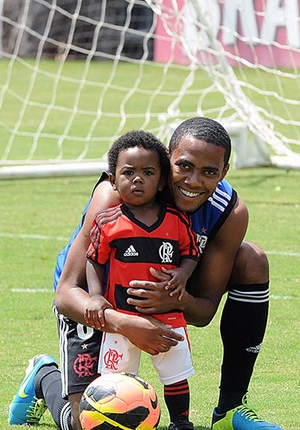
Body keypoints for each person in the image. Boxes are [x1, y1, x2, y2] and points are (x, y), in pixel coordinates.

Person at [9, 117, 282, 430]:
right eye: (184, 166)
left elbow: (203, 311)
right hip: (96, 297)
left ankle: (231, 409)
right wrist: (126, 323)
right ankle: (44, 378)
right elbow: (66, 294)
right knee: (91, 422)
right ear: (167, 158)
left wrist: (175, 300)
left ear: (224, 172)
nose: (194, 181)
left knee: (252, 259)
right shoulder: (117, 194)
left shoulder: (229, 212)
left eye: (209, 172)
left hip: (166, 291)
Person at [85, 130, 199, 429]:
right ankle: (112, 420)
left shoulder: (177, 220)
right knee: (114, 381)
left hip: (169, 317)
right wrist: (96, 297)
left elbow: (191, 253)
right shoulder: (107, 221)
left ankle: (181, 421)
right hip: (121, 316)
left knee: (175, 374)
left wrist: (184, 273)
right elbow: (94, 261)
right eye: (128, 172)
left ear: (161, 181)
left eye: (148, 172)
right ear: (112, 179)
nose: (138, 179)